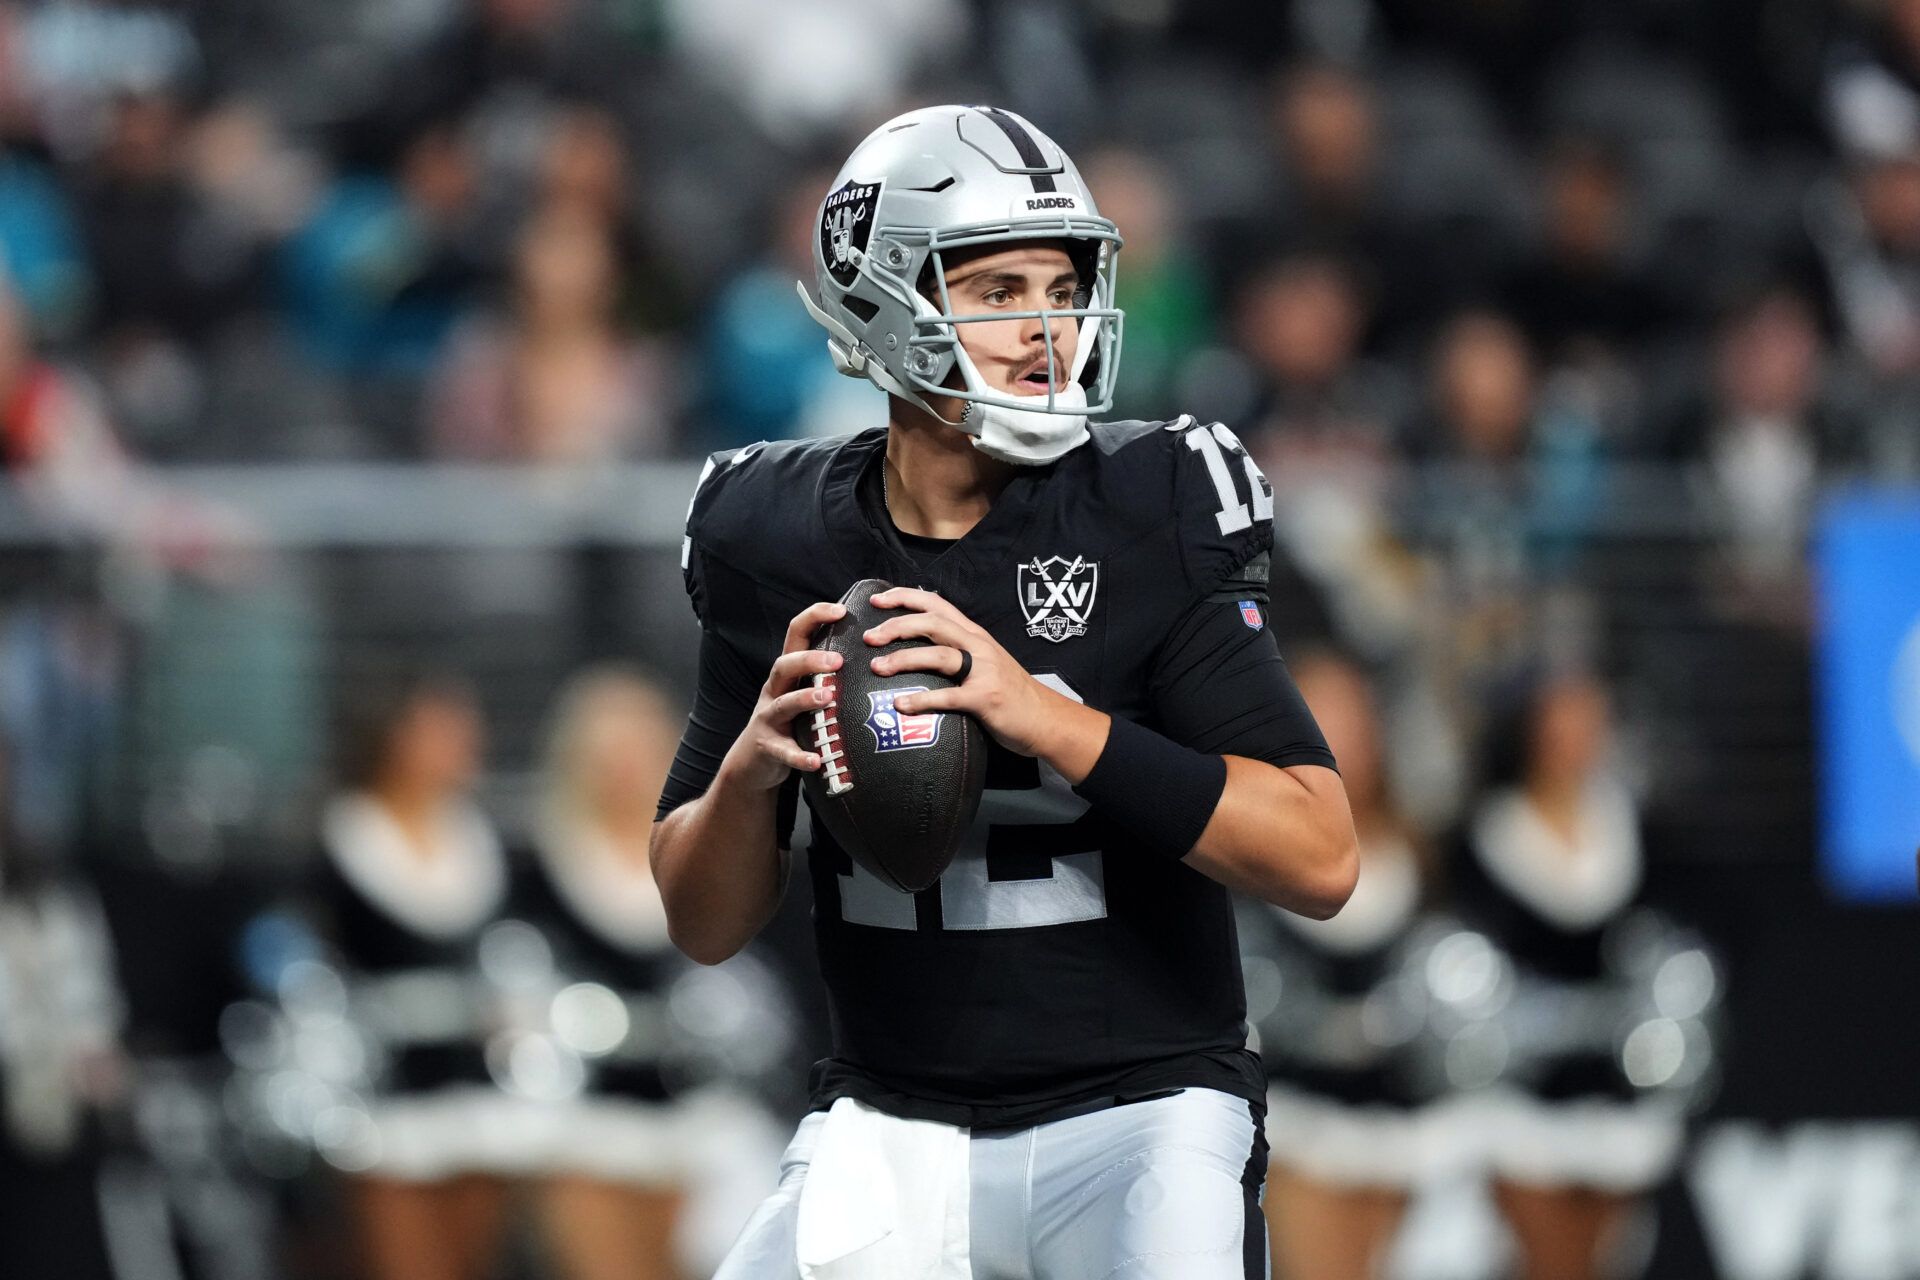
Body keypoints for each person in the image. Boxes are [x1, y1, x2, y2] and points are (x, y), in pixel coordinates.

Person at [653, 104, 1359, 1279]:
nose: (1048, 328)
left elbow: (1322, 854)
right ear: (883, 301)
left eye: (1061, 283)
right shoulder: (768, 534)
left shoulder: (1149, 503)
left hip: (1139, 1113)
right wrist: (748, 771)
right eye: (995, 292)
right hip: (887, 1116)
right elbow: (702, 921)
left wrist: (1047, 716)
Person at [1237, 651, 1439, 1280]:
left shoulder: (1420, 855)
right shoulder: (1243, 847)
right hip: (1299, 1127)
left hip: (1410, 1132)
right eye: (1317, 714)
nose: (1335, 736)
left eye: (1351, 717)